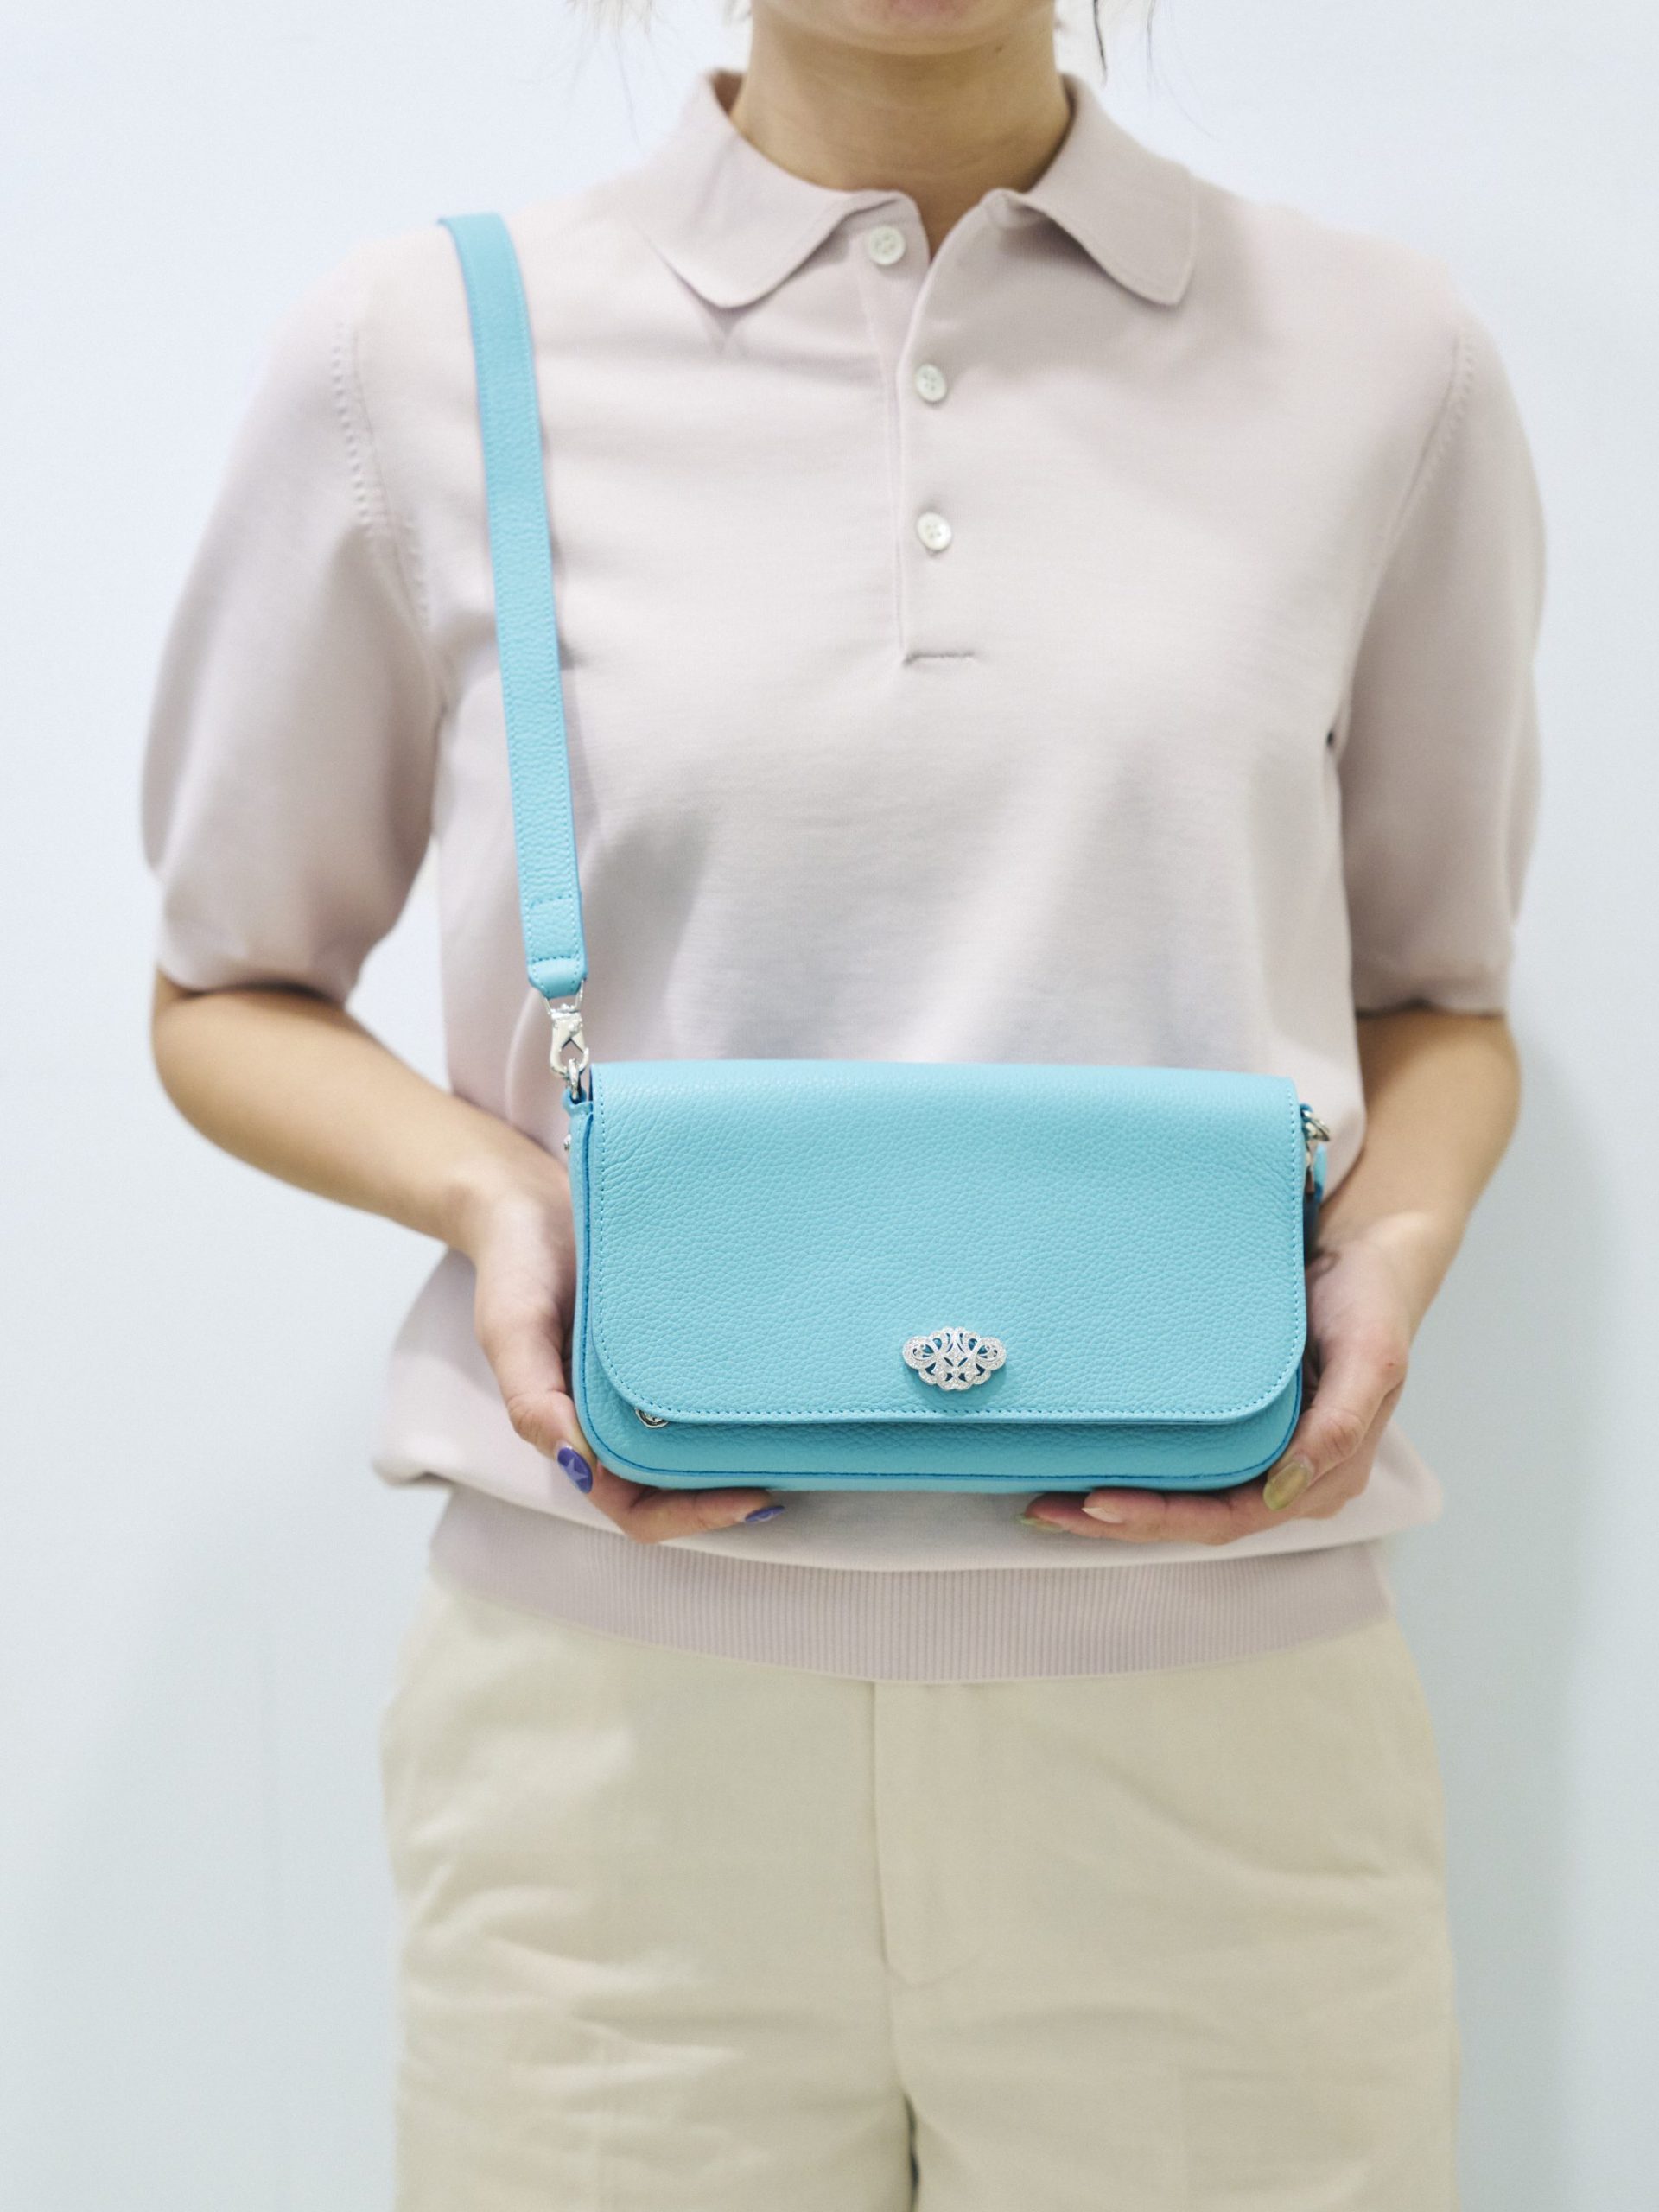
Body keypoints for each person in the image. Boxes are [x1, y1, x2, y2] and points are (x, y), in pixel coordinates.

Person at [142, 1, 1543, 2203]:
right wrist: (501, 1199)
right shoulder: (420, 350)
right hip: (611, 1773)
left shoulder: (1386, 360)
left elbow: (1438, 1001)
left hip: (1229, 1759)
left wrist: (1395, 1246)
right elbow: (223, 984)